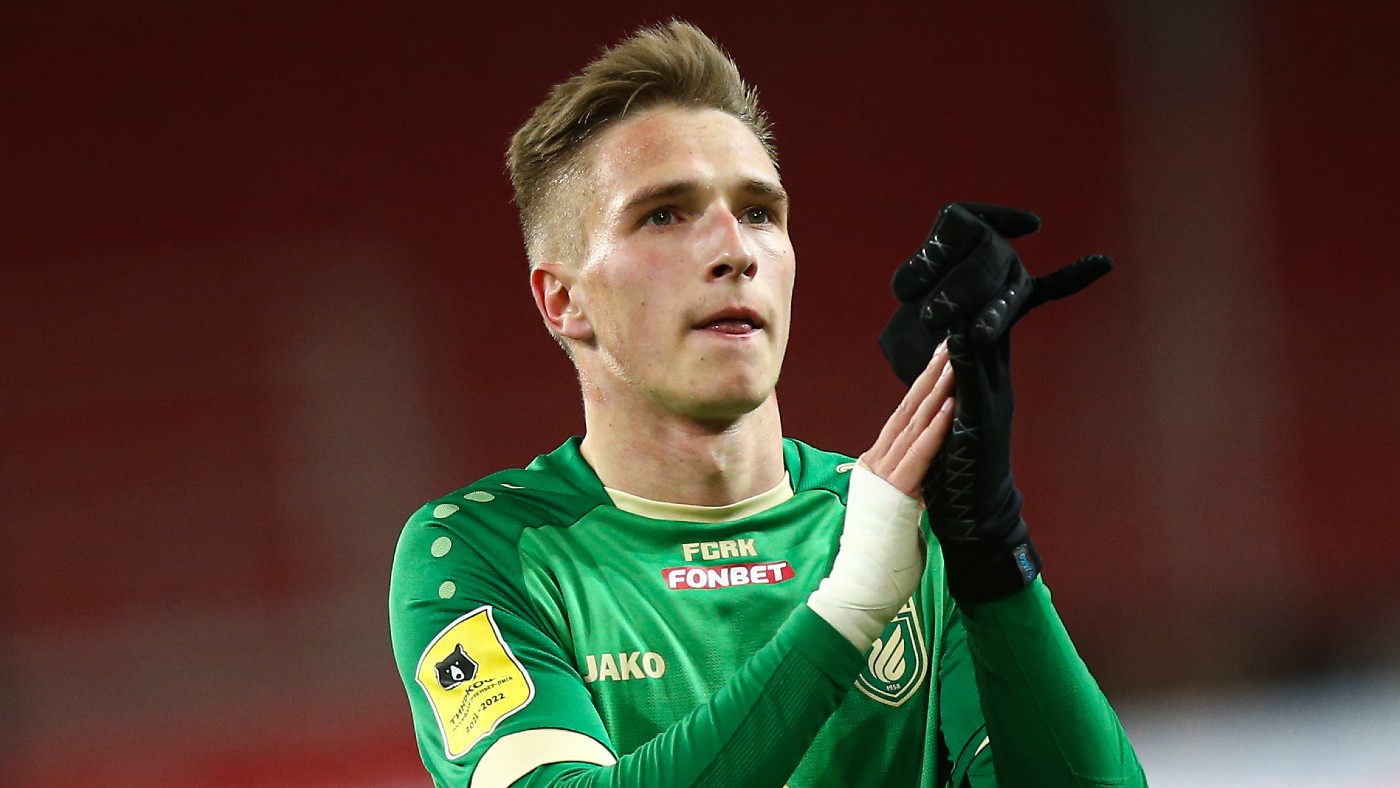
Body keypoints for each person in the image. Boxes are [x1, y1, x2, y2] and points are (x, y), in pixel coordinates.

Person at [389, 20, 1146, 788]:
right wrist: (850, 608)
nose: (735, 251)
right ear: (563, 300)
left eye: (758, 212)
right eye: (664, 214)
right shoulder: (481, 551)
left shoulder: (903, 527)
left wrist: (992, 555)